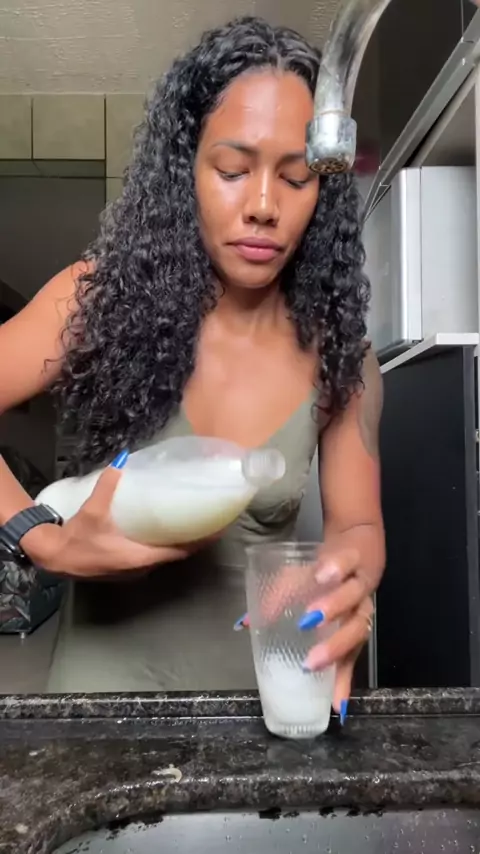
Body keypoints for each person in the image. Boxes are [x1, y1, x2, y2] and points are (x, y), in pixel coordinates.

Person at [0, 16, 384, 715]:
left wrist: (349, 585)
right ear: (186, 170)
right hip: (101, 715)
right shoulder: (96, 301)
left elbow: (357, 527)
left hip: (257, 712)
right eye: (233, 170)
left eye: (296, 177)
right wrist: (36, 537)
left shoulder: (338, 352)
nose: (264, 206)